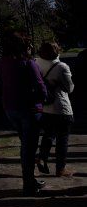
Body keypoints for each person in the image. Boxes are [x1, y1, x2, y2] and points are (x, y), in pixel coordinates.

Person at [0, 32, 47, 195]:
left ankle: (30, 180)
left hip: (10, 108)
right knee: (29, 148)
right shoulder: (28, 63)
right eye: (29, 44)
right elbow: (40, 87)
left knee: (25, 145)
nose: (31, 47)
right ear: (23, 47)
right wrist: (42, 100)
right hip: (29, 110)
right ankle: (29, 183)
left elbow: (0, 84)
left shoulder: (3, 63)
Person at [36, 41, 75, 177]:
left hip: (45, 107)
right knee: (62, 139)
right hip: (61, 107)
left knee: (48, 134)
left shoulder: (36, 63)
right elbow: (70, 88)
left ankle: (42, 157)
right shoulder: (61, 67)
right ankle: (60, 169)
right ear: (57, 51)